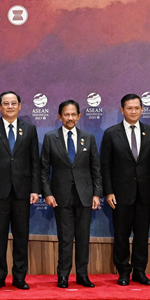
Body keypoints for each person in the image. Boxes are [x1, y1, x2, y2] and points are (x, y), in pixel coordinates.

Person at [101, 93, 150, 286]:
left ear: (142, 110)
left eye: (137, 108)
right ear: (122, 110)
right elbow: (106, 165)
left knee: (142, 235)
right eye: (129, 108)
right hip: (120, 194)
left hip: (145, 193)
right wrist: (109, 191)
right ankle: (123, 272)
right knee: (121, 234)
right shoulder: (111, 133)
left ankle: (139, 271)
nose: (134, 111)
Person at [0, 91, 39, 290]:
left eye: (14, 103)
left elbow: (34, 162)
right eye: (6, 103)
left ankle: (19, 277)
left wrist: (35, 189)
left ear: (20, 106)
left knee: (21, 235)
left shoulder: (29, 129)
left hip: (22, 191)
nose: (10, 106)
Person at [40, 100, 101, 288]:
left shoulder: (88, 138)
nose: (70, 118)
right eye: (66, 114)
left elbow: (95, 168)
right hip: (60, 196)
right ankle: (63, 276)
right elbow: (43, 170)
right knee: (65, 239)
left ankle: (82, 275)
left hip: (84, 195)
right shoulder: (51, 138)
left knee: (83, 238)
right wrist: (47, 193)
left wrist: (97, 194)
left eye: (74, 114)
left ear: (79, 116)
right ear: (60, 116)